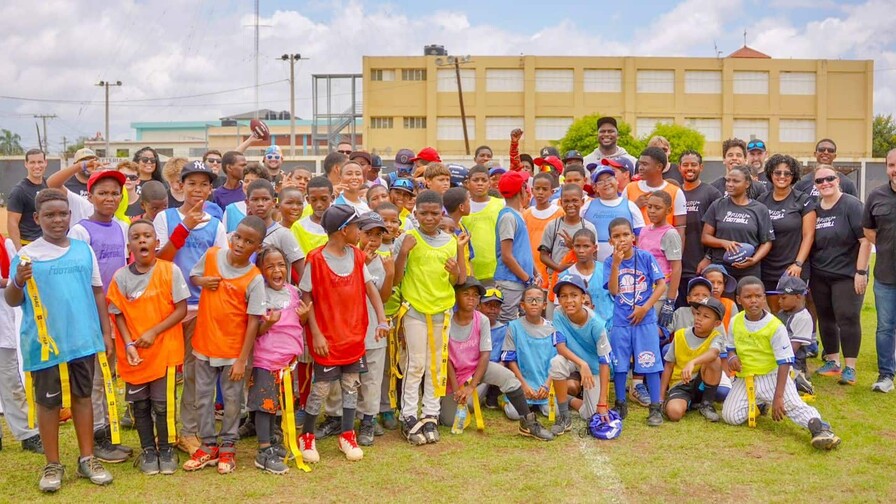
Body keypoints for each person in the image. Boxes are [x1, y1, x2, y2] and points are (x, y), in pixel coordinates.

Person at [6, 189, 114, 492]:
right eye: (50, 215)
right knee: (48, 402)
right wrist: (18, 281)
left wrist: (105, 333)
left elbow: (97, 292)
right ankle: (52, 464)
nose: (57, 220)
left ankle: (87, 458)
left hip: (82, 338)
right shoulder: (27, 256)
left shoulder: (83, 250)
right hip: (44, 342)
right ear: (37, 218)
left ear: (70, 216)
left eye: (63, 214)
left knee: (83, 397)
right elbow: (13, 299)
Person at [299, 205, 389, 462]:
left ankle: (347, 434)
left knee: (351, 384)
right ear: (342, 230)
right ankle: (307, 436)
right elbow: (307, 299)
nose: (359, 231)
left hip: (354, 336)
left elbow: (371, 289)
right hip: (327, 339)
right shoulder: (315, 259)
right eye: (356, 227)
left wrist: (381, 320)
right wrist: (315, 334)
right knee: (322, 388)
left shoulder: (357, 257)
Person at [153, 161, 227, 456]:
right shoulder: (165, 217)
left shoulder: (216, 224)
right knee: (166, 373)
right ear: (180, 186)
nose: (198, 190)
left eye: (204, 184)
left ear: (211, 189)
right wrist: (185, 227)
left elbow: (220, 265)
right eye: (192, 183)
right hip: (168, 307)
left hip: (201, 308)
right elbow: (161, 259)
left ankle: (189, 431)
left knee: (197, 374)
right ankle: (164, 431)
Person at [183, 216, 266, 474]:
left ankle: (228, 447)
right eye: (238, 237)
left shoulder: (254, 278)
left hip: (233, 352)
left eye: (249, 241)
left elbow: (254, 321)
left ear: (258, 247)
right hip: (205, 345)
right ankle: (208, 446)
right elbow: (194, 275)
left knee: (232, 401)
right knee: (202, 399)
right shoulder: (212, 256)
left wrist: (242, 359)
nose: (240, 244)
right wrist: (202, 282)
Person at [721, 276, 840, 450]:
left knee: (792, 406)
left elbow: (785, 362)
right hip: (747, 378)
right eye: (747, 297)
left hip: (773, 375)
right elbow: (730, 347)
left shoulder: (775, 326)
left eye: (758, 296)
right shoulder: (735, 321)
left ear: (764, 298)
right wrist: (732, 358)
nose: (753, 300)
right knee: (730, 416)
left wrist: (778, 397)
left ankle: (820, 429)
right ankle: (760, 402)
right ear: (739, 300)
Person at [107, 220, 188, 475]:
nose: (142, 240)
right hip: (135, 355)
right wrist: (129, 344)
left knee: (163, 405)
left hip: (165, 351)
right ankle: (147, 450)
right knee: (140, 405)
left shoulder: (170, 271)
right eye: (136, 237)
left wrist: (154, 331)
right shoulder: (120, 277)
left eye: (147, 236)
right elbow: (117, 312)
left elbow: (181, 309)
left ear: (156, 242)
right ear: (129, 245)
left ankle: (165, 448)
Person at [66, 170, 131, 463]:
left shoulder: (121, 227)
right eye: (102, 193)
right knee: (93, 378)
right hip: (90, 315)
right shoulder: (80, 231)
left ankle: (106, 433)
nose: (109, 198)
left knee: (108, 375)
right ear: (90, 196)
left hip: (114, 313)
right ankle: (97, 437)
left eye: (114, 193)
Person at [439, 279, 554, 440]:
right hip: (453, 374)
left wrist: (472, 386)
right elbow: (447, 358)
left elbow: (485, 355)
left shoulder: (482, 320)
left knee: (509, 378)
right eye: (466, 294)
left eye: (475, 295)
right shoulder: (447, 320)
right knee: (448, 420)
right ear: (456, 296)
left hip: (477, 368)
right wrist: (458, 387)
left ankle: (528, 422)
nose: (471, 298)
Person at [393, 190, 463, 446]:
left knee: (436, 366)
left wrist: (456, 272)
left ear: (442, 213)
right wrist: (403, 253)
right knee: (415, 364)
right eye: (424, 213)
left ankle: (430, 414)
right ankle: (409, 415)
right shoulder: (407, 238)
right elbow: (397, 279)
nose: (429, 218)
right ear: (415, 213)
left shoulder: (451, 241)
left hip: (441, 312)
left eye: (435, 213)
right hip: (414, 310)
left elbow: (459, 280)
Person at [248, 246, 311, 474]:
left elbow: (296, 326)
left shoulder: (294, 292)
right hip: (266, 361)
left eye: (281, 265)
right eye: (270, 266)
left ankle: (274, 441)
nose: (277, 270)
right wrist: (268, 323)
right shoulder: (259, 294)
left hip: (288, 363)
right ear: (261, 270)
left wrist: (304, 318)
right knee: (265, 406)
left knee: (282, 405)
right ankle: (264, 450)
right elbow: (253, 330)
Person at [809, 165, 870, 386]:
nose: (825, 183)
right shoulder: (815, 209)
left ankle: (850, 367)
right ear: (815, 186)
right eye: (819, 181)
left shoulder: (852, 205)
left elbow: (865, 241)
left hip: (847, 273)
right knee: (825, 317)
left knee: (847, 316)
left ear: (838, 180)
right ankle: (832, 362)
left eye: (829, 179)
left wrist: (861, 272)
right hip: (820, 273)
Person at [604, 217, 666, 425]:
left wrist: (646, 307)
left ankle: (655, 407)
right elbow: (613, 291)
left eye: (625, 234)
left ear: (633, 236)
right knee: (620, 364)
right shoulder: (609, 262)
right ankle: (621, 402)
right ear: (610, 241)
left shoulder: (646, 257)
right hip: (621, 322)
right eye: (616, 236)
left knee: (650, 363)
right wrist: (616, 264)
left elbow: (661, 285)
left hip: (645, 321)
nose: (622, 239)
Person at [548, 276, 612, 434]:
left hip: (594, 367)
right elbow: (561, 348)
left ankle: (570, 401)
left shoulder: (597, 325)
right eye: (563, 296)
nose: (568, 300)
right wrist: (581, 364)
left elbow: (605, 363)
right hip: (571, 359)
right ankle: (564, 417)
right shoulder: (558, 313)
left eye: (573, 295)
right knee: (557, 362)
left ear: (583, 298)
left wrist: (602, 402)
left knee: (592, 415)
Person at [0, 231, 43, 454]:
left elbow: (15, 280)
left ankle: (27, 433)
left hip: (1, 324)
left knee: (9, 381)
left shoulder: (5, 243)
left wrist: (8, 281)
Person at [355, 212, 395, 447]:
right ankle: (345, 418)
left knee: (372, 378)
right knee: (349, 379)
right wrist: (362, 264)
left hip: (374, 328)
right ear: (357, 233)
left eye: (378, 235)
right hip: (350, 329)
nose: (373, 239)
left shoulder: (382, 260)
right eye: (368, 233)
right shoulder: (349, 256)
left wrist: (389, 273)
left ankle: (369, 419)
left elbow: (383, 297)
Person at [757, 154, 815, 313]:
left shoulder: (803, 200)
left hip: (793, 268)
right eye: (777, 172)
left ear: (793, 175)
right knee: (776, 313)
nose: (782, 176)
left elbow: (808, 235)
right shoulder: (761, 200)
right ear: (770, 174)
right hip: (768, 268)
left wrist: (798, 264)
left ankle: (802, 339)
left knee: (795, 313)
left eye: (787, 173)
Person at [701, 165, 774, 283]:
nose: (729, 184)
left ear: (747, 184)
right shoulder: (717, 205)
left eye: (735, 181)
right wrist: (723, 243)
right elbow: (705, 237)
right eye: (728, 180)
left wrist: (754, 260)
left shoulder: (760, 209)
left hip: (749, 270)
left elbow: (767, 242)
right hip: (721, 269)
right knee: (724, 301)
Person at [659, 297, 725, 422]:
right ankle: (688, 403)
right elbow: (668, 366)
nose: (699, 318)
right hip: (681, 384)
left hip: (701, 384)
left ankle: (706, 404)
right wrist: (661, 398)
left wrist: (693, 362)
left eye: (706, 316)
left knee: (715, 360)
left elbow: (713, 353)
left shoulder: (717, 337)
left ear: (716, 324)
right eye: (698, 313)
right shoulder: (680, 335)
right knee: (674, 413)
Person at [864, 148, 896, 393]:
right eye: (891, 165)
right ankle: (886, 376)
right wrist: (887, 247)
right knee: (885, 326)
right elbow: (869, 231)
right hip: (886, 276)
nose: (895, 170)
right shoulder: (876, 196)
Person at [501, 286, 558, 420]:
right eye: (529, 300)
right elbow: (510, 360)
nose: (533, 303)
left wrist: (547, 385)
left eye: (538, 300)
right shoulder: (513, 327)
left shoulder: (553, 328)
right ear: (522, 305)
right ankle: (504, 401)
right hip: (522, 385)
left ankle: (543, 400)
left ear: (544, 305)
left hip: (545, 385)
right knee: (514, 414)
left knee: (555, 413)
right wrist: (524, 386)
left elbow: (558, 360)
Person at [538, 184, 596, 311]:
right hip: (557, 282)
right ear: (560, 202)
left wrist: (573, 248)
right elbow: (543, 255)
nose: (570, 205)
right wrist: (558, 268)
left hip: (583, 282)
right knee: (556, 320)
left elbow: (594, 257)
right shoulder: (553, 226)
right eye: (566, 201)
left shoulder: (588, 227)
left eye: (575, 200)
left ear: (582, 201)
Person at [678, 150, 722, 304]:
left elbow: (720, 229)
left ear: (701, 167)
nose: (689, 168)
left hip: (700, 266)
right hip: (677, 266)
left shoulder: (712, 193)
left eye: (694, 165)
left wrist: (708, 257)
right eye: (685, 165)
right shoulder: (675, 193)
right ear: (679, 168)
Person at [623, 147, 687, 247]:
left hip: (663, 252)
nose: (640, 168)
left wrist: (675, 257)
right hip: (635, 253)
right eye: (640, 163)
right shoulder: (629, 188)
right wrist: (635, 206)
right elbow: (620, 220)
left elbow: (680, 228)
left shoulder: (675, 192)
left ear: (659, 167)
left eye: (645, 164)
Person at [582, 162, 645, 261]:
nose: (606, 183)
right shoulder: (587, 207)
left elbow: (640, 237)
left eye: (609, 179)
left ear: (616, 181)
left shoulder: (630, 206)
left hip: (625, 264)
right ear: (595, 188)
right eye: (601, 182)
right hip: (595, 265)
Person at [495, 171, 536, 323]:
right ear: (522, 190)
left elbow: (523, 249)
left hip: (520, 281)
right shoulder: (508, 217)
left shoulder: (517, 214)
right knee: (507, 322)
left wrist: (533, 272)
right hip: (510, 282)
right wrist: (526, 278)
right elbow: (506, 256)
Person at [246, 179, 305, 283]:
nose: (260, 204)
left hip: (277, 296)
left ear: (273, 202)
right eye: (255, 199)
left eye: (265, 199)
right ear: (247, 202)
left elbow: (302, 272)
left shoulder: (283, 234)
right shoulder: (243, 233)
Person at [639, 190, 683, 329]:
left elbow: (676, 268)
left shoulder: (670, 234)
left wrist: (670, 301)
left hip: (661, 292)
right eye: (650, 207)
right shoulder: (644, 230)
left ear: (668, 210)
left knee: (651, 329)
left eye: (657, 208)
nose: (652, 211)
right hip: (643, 288)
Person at [462, 165, 504, 284]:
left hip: (497, 270)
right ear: (467, 183)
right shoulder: (462, 206)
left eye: (484, 180)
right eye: (476, 180)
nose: (480, 183)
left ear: (490, 183)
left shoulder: (501, 204)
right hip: (471, 272)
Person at [564, 229, 613, 328]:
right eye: (577, 246)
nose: (581, 250)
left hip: (607, 329)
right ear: (572, 247)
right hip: (579, 334)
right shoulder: (565, 276)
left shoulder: (606, 271)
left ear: (595, 248)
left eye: (586, 246)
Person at [775, 275, 815, 395]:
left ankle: (799, 379)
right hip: (778, 355)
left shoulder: (803, 318)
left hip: (792, 361)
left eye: (783, 298)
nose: (779, 301)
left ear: (798, 297)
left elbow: (793, 349)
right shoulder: (782, 313)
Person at [523, 172, 563, 290]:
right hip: (532, 268)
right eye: (537, 188)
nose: (540, 192)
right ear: (532, 190)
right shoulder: (526, 214)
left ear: (552, 191)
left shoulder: (560, 213)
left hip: (552, 268)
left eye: (545, 189)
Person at [7, 149, 49, 249]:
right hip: (28, 245)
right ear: (26, 164)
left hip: (47, 243)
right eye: (32, 162)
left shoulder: (49, 184)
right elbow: (12, 223)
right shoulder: (19, 191)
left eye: (40, 162)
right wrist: (19, 251)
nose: (37, 166)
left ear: (45, 163)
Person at [794, 139, 859, 198]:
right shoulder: (802, 182)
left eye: (830, 150)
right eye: (821, 149)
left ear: (835, 156)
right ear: (815, 154)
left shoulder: (847, 183)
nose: (826, 152)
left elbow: (854, 207)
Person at [292, 176, 333, 257]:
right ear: (307, 200)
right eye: (314, 200)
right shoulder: (299, 227)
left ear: (332, 198)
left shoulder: (341, 226)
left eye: (324, 199)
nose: (319, 205)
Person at [222, 163, 269, 234]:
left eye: (253, 181)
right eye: (246, 181)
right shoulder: (230, 209)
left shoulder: (268, 209)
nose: (248, 185)